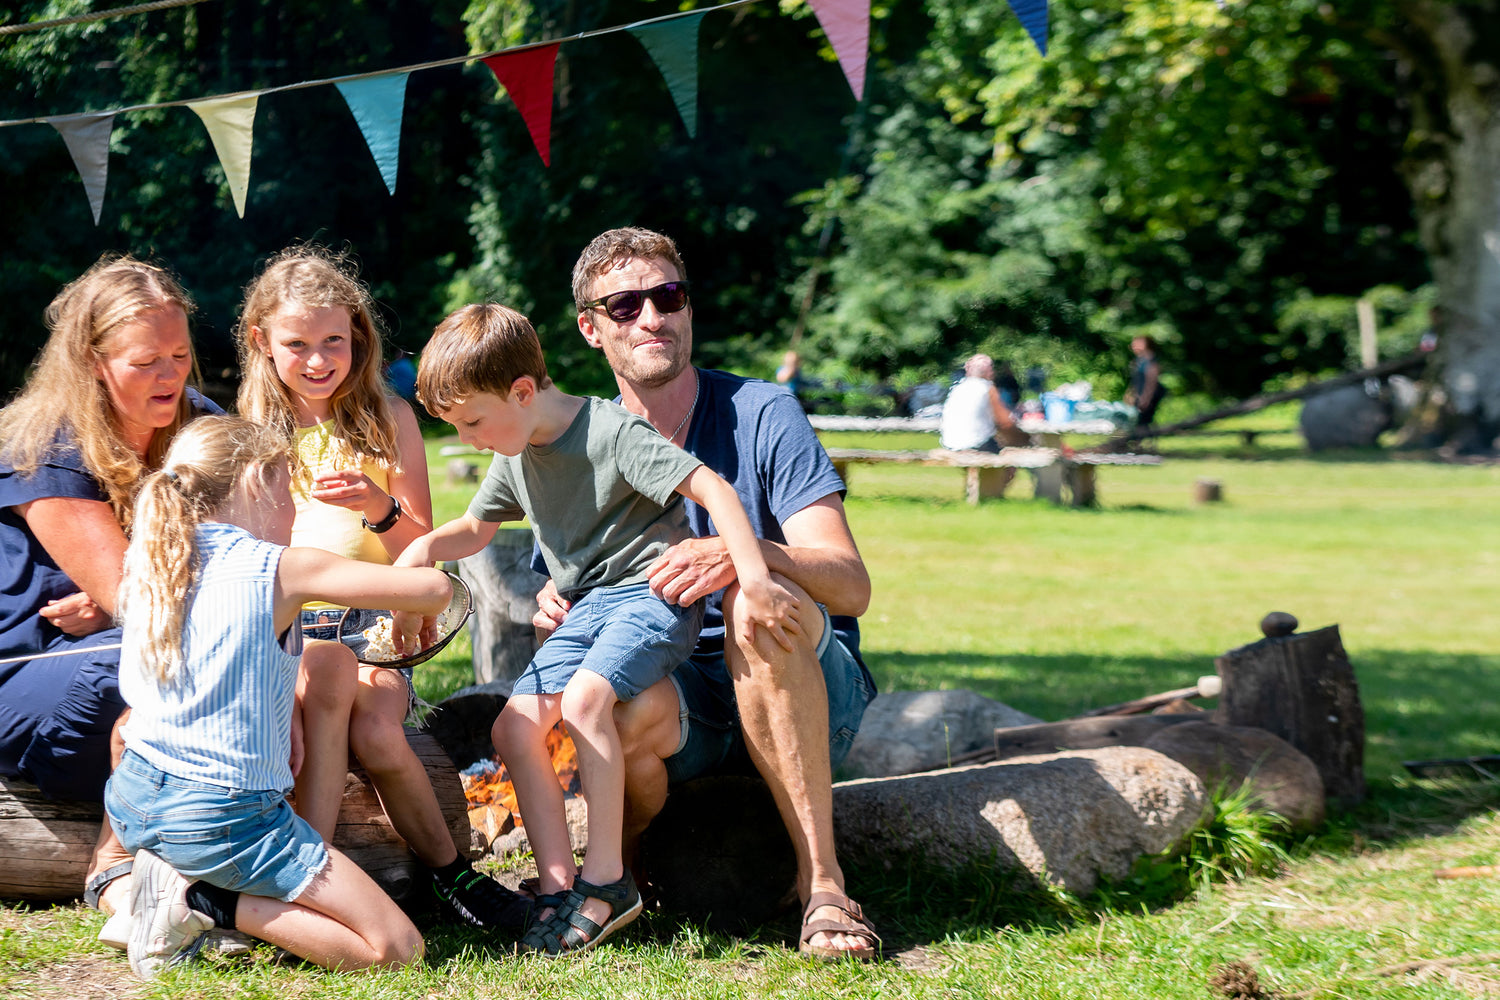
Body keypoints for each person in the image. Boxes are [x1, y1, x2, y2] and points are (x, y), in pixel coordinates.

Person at [397, 302, 800, 957]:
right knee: (512, 727)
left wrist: (752, 578)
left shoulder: (611, 432)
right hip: (586, 609)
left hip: (650, 597)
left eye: (471, 421)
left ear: (523, 392)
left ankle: (608, 881)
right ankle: (559, 891)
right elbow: (475, 528)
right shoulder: (518, 446)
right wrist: (423, 549)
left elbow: (717, 491)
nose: (466, 439)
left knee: (586, 701)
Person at [533, 226, 880, 961]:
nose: (652, 317)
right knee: (602, 698)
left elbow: (851, 586)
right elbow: (565, 612)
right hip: (681, 697)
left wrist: (745, 553)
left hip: (807, 684)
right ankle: (616, 879)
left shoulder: (761, 411)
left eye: (668, 296)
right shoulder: (576, 441)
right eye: (624, 306)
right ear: (590, 330)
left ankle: (823, 886)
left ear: (689, 307)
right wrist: (552, 612)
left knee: (753, 605)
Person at [233, 247, 529, 930]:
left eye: (334, 340)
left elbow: (420, 559)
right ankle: (309, 875)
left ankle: (453, 876)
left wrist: (376, 504)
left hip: (373, 626)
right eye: (298, 344)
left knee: (379, 729)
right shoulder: (250, 438)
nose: (318, 359)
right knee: (323, 681)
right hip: (283, 630)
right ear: (262, 343)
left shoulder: (387, 420)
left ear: (357, 337)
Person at [105, 415, 444, 979]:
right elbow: (434, 588)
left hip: (135, 799)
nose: (292, 510)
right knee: (397, 949)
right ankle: (196, 901)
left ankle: (172, 877)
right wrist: (410, 588)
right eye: (288, 490)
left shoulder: (155, 559)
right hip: (221, 818)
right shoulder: (280, 567)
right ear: (257, 483)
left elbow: (222, 661)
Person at [0, 255, 221, 932]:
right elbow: (148, 602)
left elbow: (248, 555)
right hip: (32, 674)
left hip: (132, 641)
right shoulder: (43, 444)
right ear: (95, 362)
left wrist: (113, 602)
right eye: (146, 360)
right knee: (146, 661)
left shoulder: (199, 425)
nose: (170, 375)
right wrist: (124, 598)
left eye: (180, 354)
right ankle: (115, 867)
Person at [939, 354, 1021, 452]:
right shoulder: (987, 388)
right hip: (976, 444)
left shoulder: (958, 388)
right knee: (1014, 453)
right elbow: (1004, 422)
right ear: (989, 372)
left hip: (950, 443)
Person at [1124, 335, 1167, 427]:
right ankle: (1146, 438)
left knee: (1144, 418)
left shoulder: (1150, 359)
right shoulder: (1138, 360)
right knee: (1141, 418)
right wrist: (1129, 393)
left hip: (1150, 393)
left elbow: (1151, 381)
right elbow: (1135, 380)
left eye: (1138, 343)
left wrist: (1146, 397)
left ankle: (1142, 438)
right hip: (1140, 393)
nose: (1134, 345)